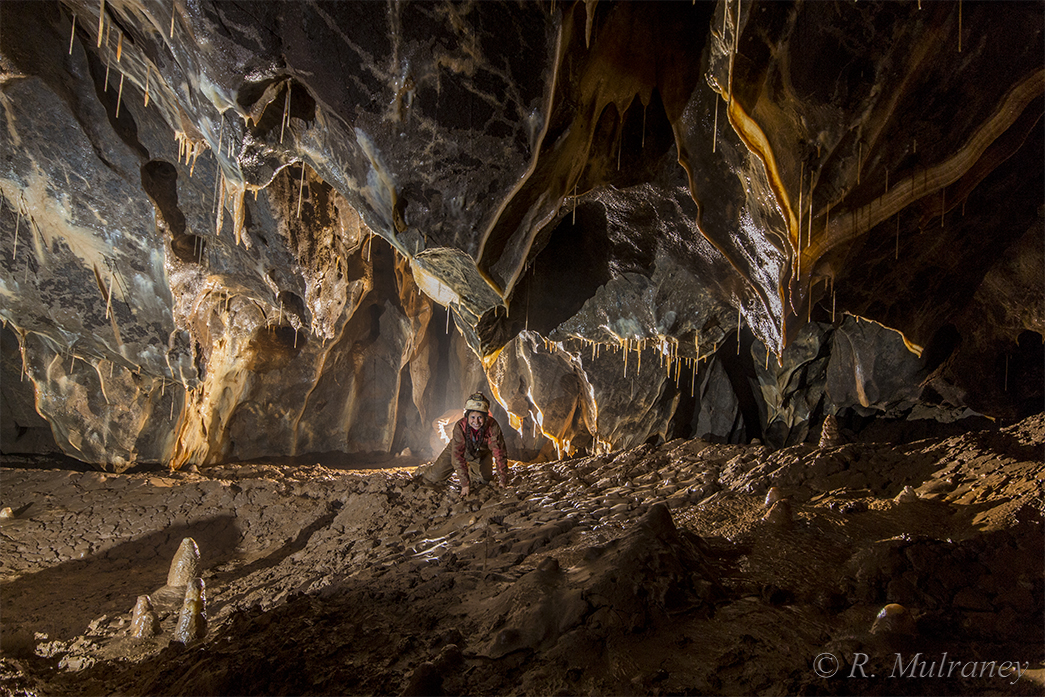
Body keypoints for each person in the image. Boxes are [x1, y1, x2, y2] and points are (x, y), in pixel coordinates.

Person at [419, 393, 509, 496]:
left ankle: (473, 471)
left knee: (482, 482)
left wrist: (503, 479)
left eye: (480, 418)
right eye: (473, 417)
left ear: (486, 417)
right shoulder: (460, 426)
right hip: (459, 448)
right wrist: (464, 484)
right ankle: (424, 471)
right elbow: (457, 455)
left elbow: (499, 453)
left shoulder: (492, 426)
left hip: (481, 453)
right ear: (467, 416)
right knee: (432, 478)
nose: (476, 421)